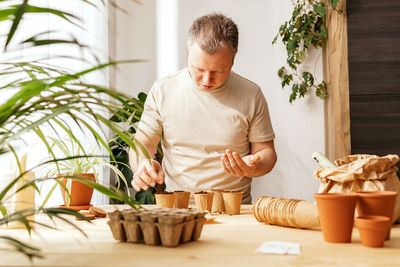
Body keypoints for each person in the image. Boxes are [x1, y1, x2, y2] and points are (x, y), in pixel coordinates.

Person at [129, 13, 277, 203]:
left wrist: (254, 167)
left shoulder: (251, 94)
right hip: (179, 208)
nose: (207, 80)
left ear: (233, 60)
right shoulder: (163, 90)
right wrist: (143, 164)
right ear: (188, 55)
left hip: (235, 209)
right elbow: (141, 144)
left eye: (218, 71)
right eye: (198, 69)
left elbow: (267, 153)